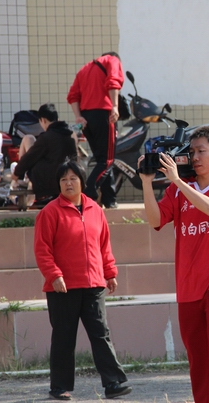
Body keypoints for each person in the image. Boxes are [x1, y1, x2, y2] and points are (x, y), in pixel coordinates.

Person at [139, 126, 209, 403]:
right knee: (198, 358)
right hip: (188, 285)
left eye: (201, 151)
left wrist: (177, 180)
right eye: (192, 151)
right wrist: (147, 183)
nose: (194, 157)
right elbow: (155, 220)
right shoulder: (177, 191)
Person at [34, 160, 132, 401]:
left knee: (101, 334)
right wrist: (54, 275)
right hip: (63, 287)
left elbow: (104, 245)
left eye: (73, 178)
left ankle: (113, 383)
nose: (68, 183)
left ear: (82, 181)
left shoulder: (96, 210)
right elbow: (42, 249)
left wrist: (109, 272)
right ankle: (59, 387)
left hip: (94, 285)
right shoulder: (50, 212)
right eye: (63, 179)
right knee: (64, 337)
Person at [67, 52, 124, 209]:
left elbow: (73, 96)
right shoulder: (112, 60)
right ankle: (87, 192)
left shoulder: (84, 69)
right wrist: (115, 106)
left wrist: (78, 117)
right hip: (104, 115)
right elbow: (113, 81)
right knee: (107, 160)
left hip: (86, 119)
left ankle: (109, 199)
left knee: (102, 161)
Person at [12, 103, 79, 207]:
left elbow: (28, 158)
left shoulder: (46, 137)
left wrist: (16, 174)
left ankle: (21, 179)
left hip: (47, 184)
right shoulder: (71, 134)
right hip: (67, 179)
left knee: (28, 141)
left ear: (43, 120)